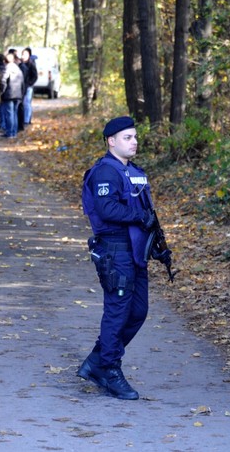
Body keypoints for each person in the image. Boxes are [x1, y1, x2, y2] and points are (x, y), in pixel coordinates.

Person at [77, 116, 158, 400]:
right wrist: (139, 217)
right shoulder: (105, 172)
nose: (134, 142)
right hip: (115, 250)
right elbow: (108, 208)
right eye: (127, 137)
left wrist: (158, 244)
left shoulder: (133, 171)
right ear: (111, 141)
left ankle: (98, 361)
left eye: (135, 137)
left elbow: (147, 212)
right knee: (118, 311)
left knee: (138, 311)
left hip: (136, 252)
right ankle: (109, 368)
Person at [0, 51, 24, 138]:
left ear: (5, 61)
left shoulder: (6, 68)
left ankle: (10, 133)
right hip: (18, 95)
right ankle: (14, 132)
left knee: (9, 114)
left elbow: (3, 81)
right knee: (15, 114)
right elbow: (22, 82)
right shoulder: (18, 69)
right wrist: (22, 94)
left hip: (9, 95)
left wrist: (1, 92)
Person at [21, 47, 39, 127]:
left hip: (28, 87)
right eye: (22, 54)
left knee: (27, 103)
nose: (23, 56)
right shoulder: (21, 64)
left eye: (25, 54)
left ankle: (27, 120)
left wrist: (29, 84)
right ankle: (23, 119)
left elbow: (35, 76)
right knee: (23, 104)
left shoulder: (31, 64)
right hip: (21, 87)